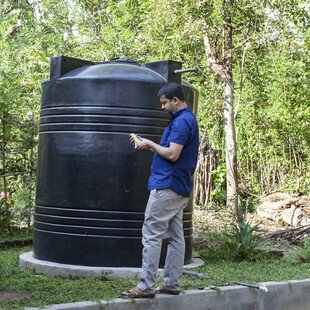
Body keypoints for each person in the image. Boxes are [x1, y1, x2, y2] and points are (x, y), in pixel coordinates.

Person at [122, 83, 199, 299]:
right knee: (175, 236)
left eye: (165, 102)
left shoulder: (182, 122)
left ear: (176, 100)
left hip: (167, 186)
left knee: (151, 233)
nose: (163, 107)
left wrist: (149, 144)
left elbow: (173, 154)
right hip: (178, 187)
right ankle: (172, 284)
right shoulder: (185, 120)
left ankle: (146, 286)